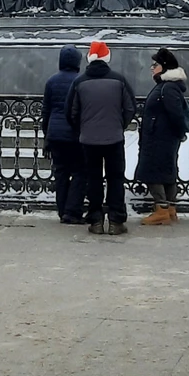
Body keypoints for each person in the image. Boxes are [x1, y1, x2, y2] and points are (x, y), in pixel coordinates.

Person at [65, 39, 136, 235]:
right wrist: (118, 125)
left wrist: (83, 128)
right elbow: (131, 108)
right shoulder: (119, 80)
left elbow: (70, 112)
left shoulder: (79, 82)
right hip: (113, 138)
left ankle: (95, 220)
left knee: (93, 179)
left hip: (88, 140)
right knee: (115, 178)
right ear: (106, 58)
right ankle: (116, 220)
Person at [135, 47, 189, 226]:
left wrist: (175, 132)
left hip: (160, 138)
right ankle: (170, 209)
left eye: (155, 65)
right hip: (162, 136)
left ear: (164, 67)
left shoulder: (167, 88)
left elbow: (176, 114)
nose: (152, 68)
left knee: (153, 172)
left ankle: (161, 210)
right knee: (166, 171)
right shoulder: (166, 86)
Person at [42, 46, 88, 224]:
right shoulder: (81, 80)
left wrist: (46, 136)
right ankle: (73, 211)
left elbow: (46, 111)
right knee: (79, 172)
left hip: (55, 134)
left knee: (60, 173)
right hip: (75, 134)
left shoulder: (52, 81)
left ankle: (62, 210)